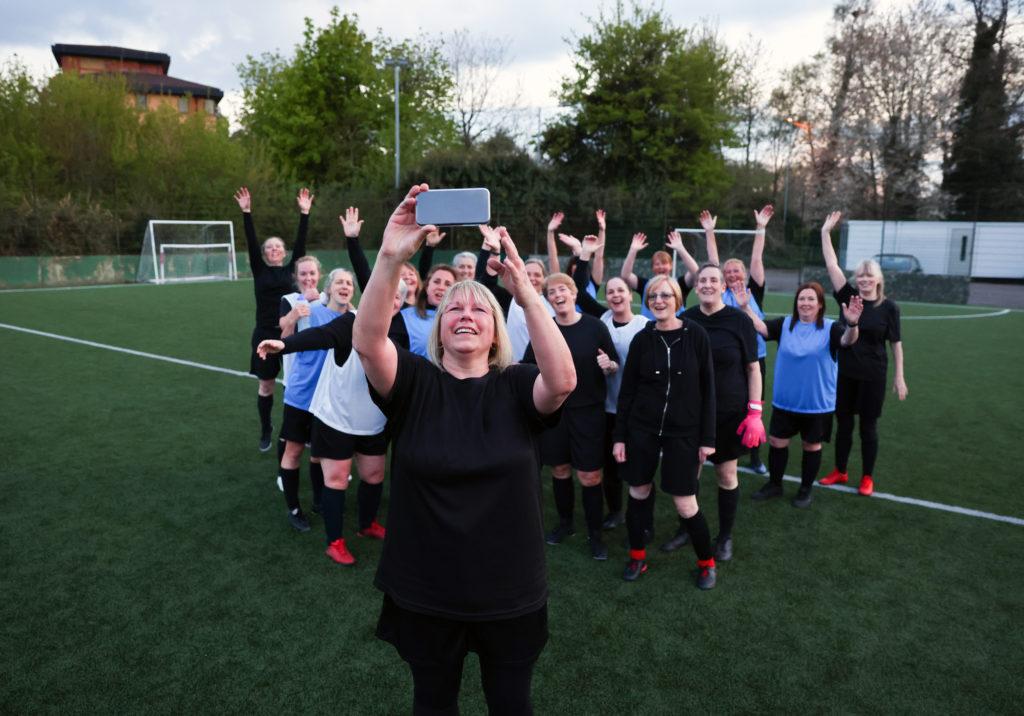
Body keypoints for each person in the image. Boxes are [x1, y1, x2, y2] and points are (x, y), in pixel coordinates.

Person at [352, 184, 575, 715]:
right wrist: (389, 255)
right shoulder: (414, 384)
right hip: (427, 590)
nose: (467, 313)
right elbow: (367, 341)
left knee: (510, 706)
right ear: (441, 328)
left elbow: (563, 380)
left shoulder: (518, 386)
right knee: (434, 705)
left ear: (496, 331)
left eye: (480, 307)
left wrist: (523, 288)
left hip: (510, 589)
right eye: (455, 308)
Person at [258, 278, 409, 564]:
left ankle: (367, 524)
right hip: (336, 417)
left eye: (398, 299)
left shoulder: (398, 327)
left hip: (373, 418)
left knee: (374, 475)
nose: (392, 302)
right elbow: (321, 335)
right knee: (337, 479)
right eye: (387, 295)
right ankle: (335, 541)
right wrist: (284, 345)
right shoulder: (352, 321)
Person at [613, 275, 718, 588]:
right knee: (638, 491)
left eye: (665, 296)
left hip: (683, 432)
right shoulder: (643, 339)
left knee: (686, 503)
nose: (659, 301)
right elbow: (628, 391)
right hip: (641, 429)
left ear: (677, 300)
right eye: (653, 296)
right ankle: (637, 557)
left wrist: (707, 439)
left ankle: (707, 563)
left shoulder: (696, 335)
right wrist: (620, 436)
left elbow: (708, 389)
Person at [659, 264, 765, 562]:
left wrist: (754, 411)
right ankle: (687, 529)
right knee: (687, 473)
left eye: (713, 280)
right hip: (690, 412)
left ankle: (725, 536)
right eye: (702, 280)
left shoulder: (739, 321)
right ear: (695, 286)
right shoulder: (685, 319)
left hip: (729, 411)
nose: (707, 284)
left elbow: (753, 369)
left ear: (724, 287)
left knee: (726, 473)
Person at [740, 282, 863, 508]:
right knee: (777, 442)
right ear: (796, 303)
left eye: (811, 299)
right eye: (801, 299)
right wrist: (746, 308)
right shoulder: (786, 324)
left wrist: (853, 324)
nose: (805, 303)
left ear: (820, 304)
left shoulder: (831, 328)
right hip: (785, 401)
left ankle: (805, 489)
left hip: (817, 405)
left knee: (811, 446)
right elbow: (763, 329)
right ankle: (775, 484)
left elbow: (847, 341)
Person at [523, 271, 619, 561]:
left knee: (590, 475)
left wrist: (609, 365)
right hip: (556, 412)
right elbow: (528, 366)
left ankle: (595, 535)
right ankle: (566, 524)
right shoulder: (545, 329)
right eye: (552, 292)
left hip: (589, 413)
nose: (558, 295)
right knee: (560, 469)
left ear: (575, 294)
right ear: (548, 299)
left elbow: (613, 363)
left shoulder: (595, 327)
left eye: (563, 289)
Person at [562, 233, 648, 532]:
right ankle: (615, 511)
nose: (614, 295)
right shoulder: (602, 320)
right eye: (610, 291)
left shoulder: (644, 326)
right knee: (609, 466)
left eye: (620, 290)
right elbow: (582, 291)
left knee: (638, 468)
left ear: (630, 294)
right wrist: (584, 255)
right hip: (605, 406)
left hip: (636, 409)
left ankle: (644, 520)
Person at [819, 211, 908, 496]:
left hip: (873, 376)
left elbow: (896, 343)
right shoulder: (849, 298)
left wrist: (900, 377)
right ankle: (840, 471)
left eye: (869, 275)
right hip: (845, 373)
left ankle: (867, 477)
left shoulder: (889, 308)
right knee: (843, 426)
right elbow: (832, 264)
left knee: (868, 428)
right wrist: (825, 232)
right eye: (860, 275)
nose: (864, 279)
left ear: (878, 279)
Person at [234, 185, 312, 451]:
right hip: (264, 335)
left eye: (279, 246)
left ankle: (299, 430)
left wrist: (305, 214)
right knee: (266, 386)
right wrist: (246, 212)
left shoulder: (293, 270)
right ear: (266, 253)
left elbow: (301, 244)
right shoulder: (260, 270)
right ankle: (266, 427)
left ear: (284, 251)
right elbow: (251, 241)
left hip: (290, 334)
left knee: (298, 385)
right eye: (270, 247)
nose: (274, 250)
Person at [702, 205, 773, 474]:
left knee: (754, 405)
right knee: (727, 402)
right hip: (728, 359)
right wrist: (710, 232)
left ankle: (755, 455)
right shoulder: (719, 294)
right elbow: (712, 260)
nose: (732, 275)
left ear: (744, 274)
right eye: (728, 272)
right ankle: (720, 446)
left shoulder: (753, 290)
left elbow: (756, 260)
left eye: (736, 271)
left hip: (756, 359)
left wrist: (761, 229)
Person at [620, 231, 697, 319]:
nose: (661, 267)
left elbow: (696, 273)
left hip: (675, 331)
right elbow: (625, 275)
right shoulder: (645, 285)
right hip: (650, 330)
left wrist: (680, 248)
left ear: (671, 266)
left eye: (664, 263)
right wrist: (633, 250)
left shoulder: (679, 284)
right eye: (657, 264)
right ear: (652, 268)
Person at [400, 263, 457, 356]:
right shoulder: (404, 317)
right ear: (427, 286)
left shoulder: (462, 319)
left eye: (448, 284)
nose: (441, 287)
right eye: (436, 282)